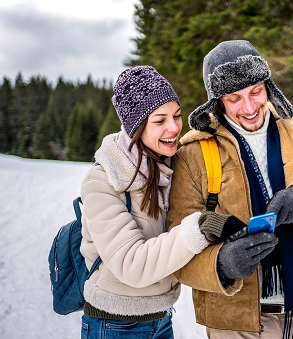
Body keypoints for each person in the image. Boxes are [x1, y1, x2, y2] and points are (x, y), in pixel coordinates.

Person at [166, 40, 293, 339]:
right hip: (236, 324)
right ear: (217, 101)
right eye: (234, 98)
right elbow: (176, 250)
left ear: (268, 86)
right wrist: (221, 264)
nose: (249, 108)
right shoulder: (194, 155)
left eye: (256, 92)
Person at [79, 66, 217, 339]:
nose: (174, 127)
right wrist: (197, 230)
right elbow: (131, 264)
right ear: (135, 127)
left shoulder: (168, 167)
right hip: (114, 326)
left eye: (177, 116)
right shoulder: (102, 180)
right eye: (160, 120)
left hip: (161, 319)